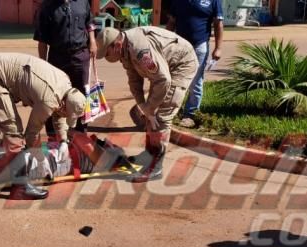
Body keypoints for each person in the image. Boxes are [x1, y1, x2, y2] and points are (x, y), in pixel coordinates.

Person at [0, 52, 86, 200]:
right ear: (64, 104)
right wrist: (40, 160)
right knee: (13, 130)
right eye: (67, 113)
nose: (66, 117)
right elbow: (31, 135)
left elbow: (59, 114)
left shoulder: (65, 85)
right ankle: (20, 187)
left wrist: (63, 141)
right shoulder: (49, 98)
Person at [95, 26, 198, 182]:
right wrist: (143, 107)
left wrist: (150, 109)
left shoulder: (139, 49)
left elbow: (164, 80)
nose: (106, 58)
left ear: (116, 45)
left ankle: (155, 167)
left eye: (107, 53)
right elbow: (134, 80)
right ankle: (149, 154)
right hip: (164, 71)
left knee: (162, 117)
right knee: (150, 116)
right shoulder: (124, 50)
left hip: (181, 65)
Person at [34, 0, 97, 134]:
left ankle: (80, 133)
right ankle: (54, 136)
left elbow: (89, 22)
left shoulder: (82, 2)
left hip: (80, 55)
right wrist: (43, 66)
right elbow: (42, 40)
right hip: (57, 58)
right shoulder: (46, 7)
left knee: (82, 96)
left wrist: (92, 41)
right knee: (54, 97)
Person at [166, 0, 224, 128]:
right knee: (173, 79)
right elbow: (171, 23)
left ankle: (190, 115)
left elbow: (218, 23)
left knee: (195, 81)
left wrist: (218, 48)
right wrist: (165, 45)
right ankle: (169, 112)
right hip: (179, 46)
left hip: (200, 45)